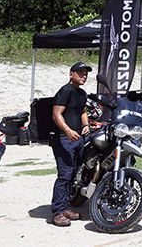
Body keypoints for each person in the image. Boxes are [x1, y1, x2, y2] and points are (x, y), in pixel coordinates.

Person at [50, 62, 91, 227]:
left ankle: (65, 207)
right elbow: (56, 113)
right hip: (63, 139)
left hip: (78, 138)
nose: (84, 75)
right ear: (71, 74)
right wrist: (67, 131)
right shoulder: (65, 90)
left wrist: (86, 125)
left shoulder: (82, 93)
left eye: (85, 73)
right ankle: (57, 213)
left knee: (74, 174)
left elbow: (82, 111)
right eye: (80, 72)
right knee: (65, 175)